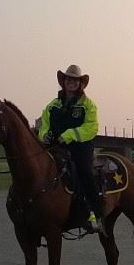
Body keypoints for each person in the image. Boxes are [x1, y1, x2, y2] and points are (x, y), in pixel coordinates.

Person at [38, 65, 103, 232]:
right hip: (56, 146)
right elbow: (44, 124)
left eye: (75, 80)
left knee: (83, 171)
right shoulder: (52, 105)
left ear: (80, 83)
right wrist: (44, 135)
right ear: (64, 82)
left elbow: (91, 127)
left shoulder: (88, 105)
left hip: (81, 147)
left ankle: (93, 212)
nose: (71, 82)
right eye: (69, 79)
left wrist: (68, 135)